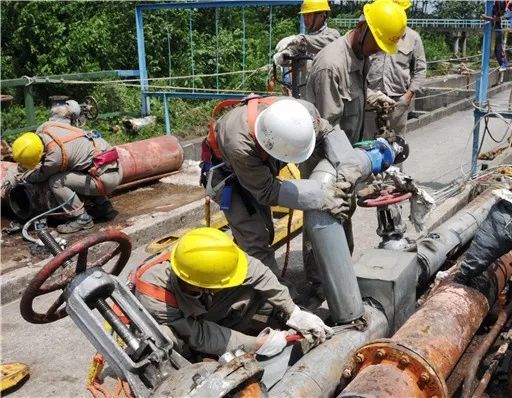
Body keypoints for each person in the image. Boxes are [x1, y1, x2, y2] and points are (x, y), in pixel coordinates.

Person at [201, 96, 364, 276]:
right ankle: (269, 300)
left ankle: (254, 277)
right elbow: (267, 191)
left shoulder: (301, 114)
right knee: (255, 238)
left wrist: (349, 171)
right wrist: (322, 197)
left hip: (260, 161)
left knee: (266, 231)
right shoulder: (240, 144)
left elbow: (328, 133)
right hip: (229, 175)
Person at [134, 227, 333, 357]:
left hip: (200, 303)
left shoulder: (213, 254)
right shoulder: (155, 295)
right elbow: (200, 334)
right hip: (180, 325)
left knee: (258, 288)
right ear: (205, 285)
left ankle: (278, 319)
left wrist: (293, 312)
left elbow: (260, 274)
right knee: (167, 339)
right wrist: (255, 343)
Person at [305, 0, 408, 144]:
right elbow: (328, 131)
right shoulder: (331, 66)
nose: (379, 50)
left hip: (348, 151)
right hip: (328, 159)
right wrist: (361, 159)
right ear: (362, 26)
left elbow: (348, 93)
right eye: (377, 43)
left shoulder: (361, 55)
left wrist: (371, 96)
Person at [11, 101, 121, 233]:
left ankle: (81, 218)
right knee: (77, 164)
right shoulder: (45, 128)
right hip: (114, 167)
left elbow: (40, 176)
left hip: (106, 180)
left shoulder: (55, 158)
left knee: (56, 181)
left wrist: (26, 176)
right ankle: (103, 205)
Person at [364, 0, 426, 140]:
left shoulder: (413, 38)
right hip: (371, 100)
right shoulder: (374, 34)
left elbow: (420, 70)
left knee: (395, 145)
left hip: (397, 101)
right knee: (368, 145)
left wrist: (408, 96)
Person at [272, 0, 340, 98]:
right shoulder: (303, 42)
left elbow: (320, 43)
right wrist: (284, 56)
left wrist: (299, 39)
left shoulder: (332, 35)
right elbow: (295, 52)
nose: (305, 19)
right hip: (305, 97)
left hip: (325, 98)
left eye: (309, 15)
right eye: (304, 16)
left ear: (322, 15)